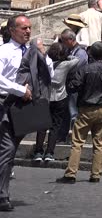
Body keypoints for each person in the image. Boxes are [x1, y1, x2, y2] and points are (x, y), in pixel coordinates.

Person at [59, 41, 102, 184]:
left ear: (91, 53)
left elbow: (74, 86)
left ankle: (71, 173)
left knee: (77, 142)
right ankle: (96, 174)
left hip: (86, 107)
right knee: (99, 143)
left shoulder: (85, 69)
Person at [0, 15, 37, 210]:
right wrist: (20, 90)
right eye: (24, 28)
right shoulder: (4, 51)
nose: (28, 31)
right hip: (5, 104)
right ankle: (2, 196)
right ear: (12, 30)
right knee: (8, 150)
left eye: (30, 28)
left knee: (9, 151)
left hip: (22, 107)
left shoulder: (31, 51)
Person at [32, 42, 74, 164]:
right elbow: (77, 59)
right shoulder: (66, 64)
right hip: (60, 98)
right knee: (55, 126)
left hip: (44, 97)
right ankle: (50, 152)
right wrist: (66, 56)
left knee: (42, 127)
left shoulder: (44, 62)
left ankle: (38, 152)